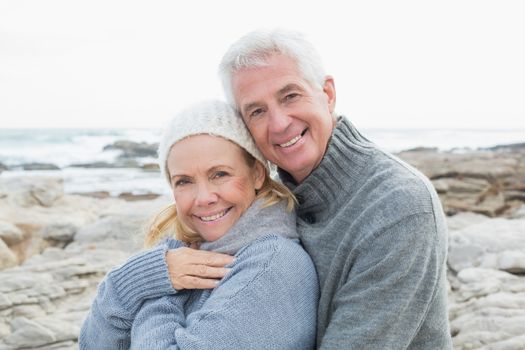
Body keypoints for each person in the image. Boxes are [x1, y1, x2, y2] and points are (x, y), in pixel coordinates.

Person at [170, 29, 453, 349]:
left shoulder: (398, 206)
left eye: (290, 96)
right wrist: (155, 272)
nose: (278, 124)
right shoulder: (269, 204)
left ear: (328, 93)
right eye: (257, 111)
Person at [79, 100, 318, 349]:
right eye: (184, 181)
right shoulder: (183, 254)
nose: (203, 198)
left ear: (257, 173)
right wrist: (125, 283)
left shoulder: (272, 265)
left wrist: (157, 287)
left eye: (220, 174)